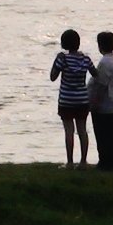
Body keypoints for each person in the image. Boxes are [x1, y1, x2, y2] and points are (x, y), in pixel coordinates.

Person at [49, 29, 97, 168]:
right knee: (82, 130)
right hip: (82, 100)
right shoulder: (85, 59)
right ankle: (83, 161)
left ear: (64, 44)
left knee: (69, 131)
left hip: (66, 100)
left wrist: (57, 61)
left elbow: (53, 77)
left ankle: (70, 162)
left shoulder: (62, 58)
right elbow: (95, 74)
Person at [88, 32, 113, 171]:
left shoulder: (104, 62)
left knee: (103, 134)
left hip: (106, 105)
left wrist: (94, 103)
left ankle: (105, 161)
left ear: (100, 45)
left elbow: (100, 85)